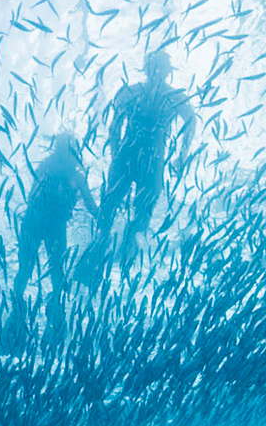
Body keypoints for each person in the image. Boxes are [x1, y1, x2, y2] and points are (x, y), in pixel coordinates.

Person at [89, 50, 197, 270]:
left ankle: (117, 250)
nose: (158, 71)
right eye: (157, 66)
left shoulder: (136, 92)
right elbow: (114, 126)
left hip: (138, 158)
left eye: (160, 67)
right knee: (117, 206)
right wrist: (115, 153)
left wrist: (183, 153)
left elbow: (114, 126)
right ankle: (103, 246)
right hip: (143, 158)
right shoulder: (165, 96)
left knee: (134, 210)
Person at [13, 131, 92, 335]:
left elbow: (32, 194)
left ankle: (21, 308)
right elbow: (90, 204)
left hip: (36, 222)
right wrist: (104, 222)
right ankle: (50, 308)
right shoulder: (74, 173)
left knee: (31, 269)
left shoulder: (48, 166)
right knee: (53, 270)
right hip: (48, 224)